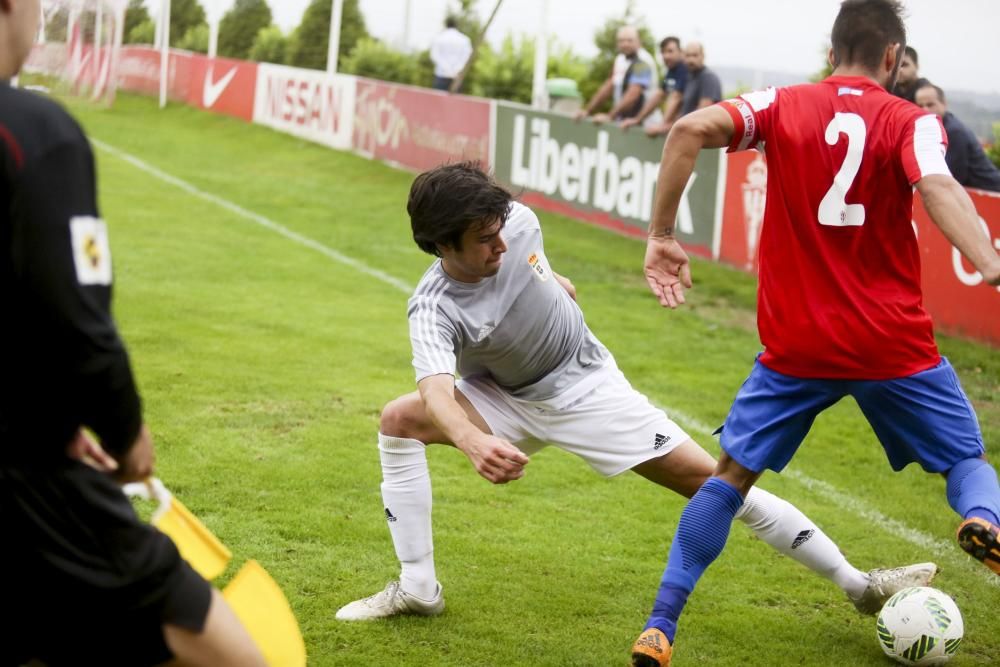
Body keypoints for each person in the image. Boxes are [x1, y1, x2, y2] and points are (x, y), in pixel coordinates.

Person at [334, 161, 936, 625]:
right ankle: (418, 588)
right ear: (442, 246)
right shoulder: (432, 308)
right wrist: (469, 440)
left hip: (587, 384)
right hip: (504, 396)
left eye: (500, 231)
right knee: (398, 420)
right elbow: (436, 389)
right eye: (482, 240)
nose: (500, 245)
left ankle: (860, 586)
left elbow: (532, 259)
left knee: (716, 485)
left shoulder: (516, 224)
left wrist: (551, 279)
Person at [633, 1, 1000, 665]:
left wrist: (661, 235)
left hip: (798, 344)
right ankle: (984, 521)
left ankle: (660, 626)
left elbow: (688, 127)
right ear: (893, 58)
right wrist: (991, 262)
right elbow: (939, 184)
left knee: (728, 480)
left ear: (832, 50)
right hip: (891, 343)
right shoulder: (911, 120)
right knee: (966, 460)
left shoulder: (782, 103)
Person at [0, 2, 266, 665]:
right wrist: (124, 435)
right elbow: (78, 324)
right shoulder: (35, 132)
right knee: (235, 655)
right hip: (29, 483)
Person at [915, 83, 1000, 192]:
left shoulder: (953, 131)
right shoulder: (938, 128)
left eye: (930, 104)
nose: (925, 110)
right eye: (920, 105)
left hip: (990, 193)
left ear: (944, 103)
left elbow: (953, 175)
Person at [573, 26, 660, 127]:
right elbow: (608, 87)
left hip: (644, 124)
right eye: (621, 41)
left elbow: (633, 94)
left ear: (639, 42)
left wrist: (610, 116)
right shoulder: (620, 59)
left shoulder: (643, 62)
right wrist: (587, 111)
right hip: (624, 122)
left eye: (630, 40)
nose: (625, 44)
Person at [621, 36, 688, 137]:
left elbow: (676, 97)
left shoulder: (684, 69)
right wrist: (637, 119)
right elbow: (659, 95)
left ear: (681, 51)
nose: (666, 56)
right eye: (663, 52)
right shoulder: (671, 71)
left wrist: (662, 126)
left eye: (670, 51)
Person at [429, 16, 473, 93]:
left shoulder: (439, 38)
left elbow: (434, 56)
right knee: (455, 103)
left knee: (438, 102)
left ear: (446, 24)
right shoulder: (464, 40)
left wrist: (446, 68)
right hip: (457, 76)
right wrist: (456, 69)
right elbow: (467, 57)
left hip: (441, 75)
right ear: (456, 25)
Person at [679, 41, 722, 118]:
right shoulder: (690, 77)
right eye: (687, 55)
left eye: (695, 55)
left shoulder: (708, 77)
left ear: (703, 56)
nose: (691, 60)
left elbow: (702, 114)